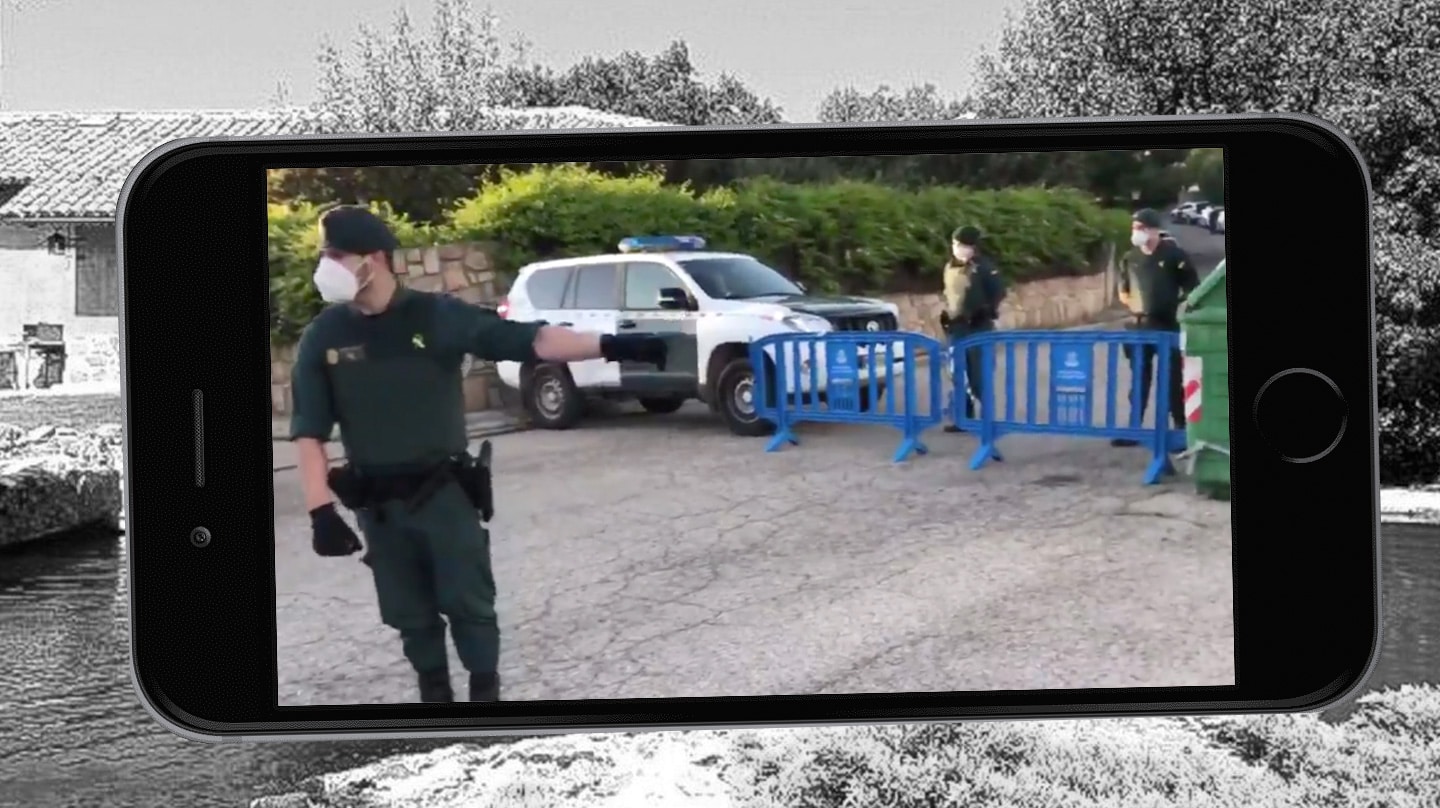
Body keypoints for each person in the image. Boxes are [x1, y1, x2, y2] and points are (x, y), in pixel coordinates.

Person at [288, 205, 667, 703]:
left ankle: (485, 696)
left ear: (373, 258)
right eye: (325, 255)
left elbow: (532, 340)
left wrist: (614, 345)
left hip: (443, 495)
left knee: (470, 604)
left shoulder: (436, 316)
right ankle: (434, 698)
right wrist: (320, 510)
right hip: (378, 506)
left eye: (336, 255)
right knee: (408, 614)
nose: (326, 266)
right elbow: (308, 432)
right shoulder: (325, 334)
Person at [1113, 208, 1200, 447]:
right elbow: (1124, 288)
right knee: (1140, 377)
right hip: (1139, 327)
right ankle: (1134, 428)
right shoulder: (1130, 257)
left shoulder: (1174, 255)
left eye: (1140, 228)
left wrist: (1183, 308)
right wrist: (1132, 304)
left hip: (1168, 326)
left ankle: (1181, 429)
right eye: (1134, 228)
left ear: (1153, 229)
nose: (1136, 232)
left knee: (1173, 379)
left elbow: (1193, 288)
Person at [939, 225, 1006, 433]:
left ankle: (988, 420)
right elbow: (949, 293)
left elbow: (998, 292)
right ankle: (963, 418)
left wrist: (986, 311)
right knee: (958, 374)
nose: (958, 248)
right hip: (957, 329)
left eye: (963, 245)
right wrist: (947, 315)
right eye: (956, 244)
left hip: (979, 328)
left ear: (973, 247)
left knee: (979, 376)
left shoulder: (984, 267)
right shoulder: (949, 267)